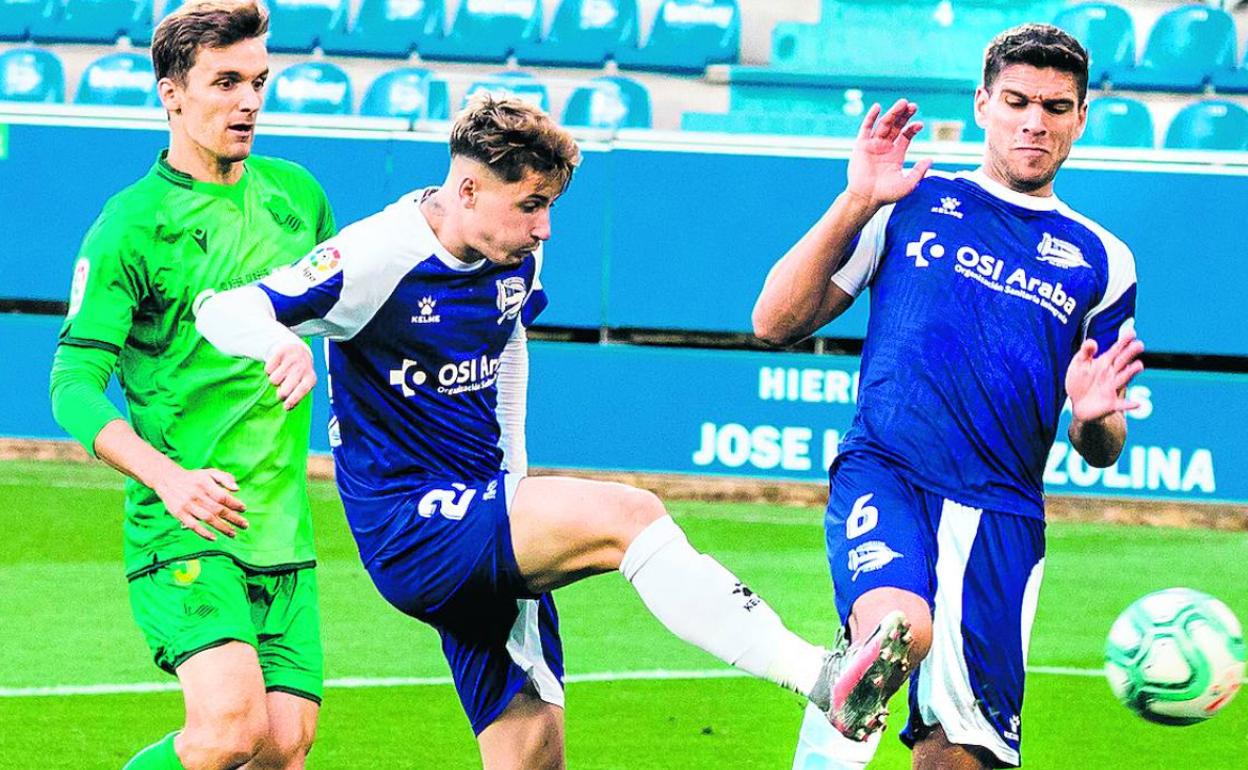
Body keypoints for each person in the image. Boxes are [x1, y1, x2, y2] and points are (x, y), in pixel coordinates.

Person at [195, 93, 909, 768]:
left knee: (532, 748)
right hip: (413, 525)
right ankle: (818, 676)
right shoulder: (377, 256)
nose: (544, 227)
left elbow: (507, 354)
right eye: (531, 205)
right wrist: (278, 343)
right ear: (469, 190)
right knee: (630, 515)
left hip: (486, 511)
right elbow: (223, 309)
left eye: (551, 205)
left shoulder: (513, 253)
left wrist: (514, 486)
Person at [753, 24, 1143, 770]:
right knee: (898, 635)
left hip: (1001, 514)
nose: (1035, 121)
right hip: (889, 471)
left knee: (959, 756)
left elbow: (1103, 448)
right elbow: (773, 322)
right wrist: (855, 199)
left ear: (1081, 118)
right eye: (1018, 100)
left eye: (1057, 107)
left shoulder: (1104, 260)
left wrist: (1095, 419)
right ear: (982, 104)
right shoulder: (910, 201)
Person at [47, 2, 336, 768]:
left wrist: (313, 350)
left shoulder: (298, 198)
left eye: (259, 81)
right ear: (171, 91)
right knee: (229, 729)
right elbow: (73, 385)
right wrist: (167, 479)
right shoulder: (131, 225)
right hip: (185, 523)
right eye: (225, 81)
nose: (248, 101)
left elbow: (341, 316)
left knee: (283, 746)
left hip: (281, 526)